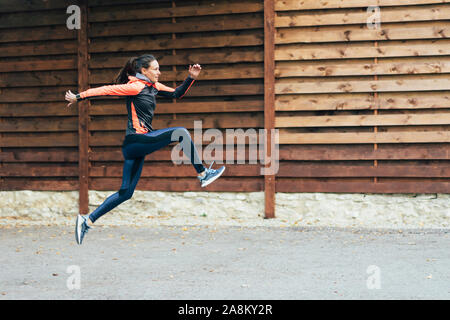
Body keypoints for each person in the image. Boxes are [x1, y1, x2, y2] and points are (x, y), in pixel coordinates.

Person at [65, 54, 225, 245]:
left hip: (137, 146)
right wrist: (78, 97)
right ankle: (202, 173)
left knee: (126, 193)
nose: (159, 72)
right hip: (137, 140)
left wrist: (191, 77)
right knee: (180, 132)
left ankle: (86, 221)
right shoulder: (134, 87)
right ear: (144, 71)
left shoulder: (153, 87)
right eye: (156, 69)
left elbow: (176, 94)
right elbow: (106, 90)